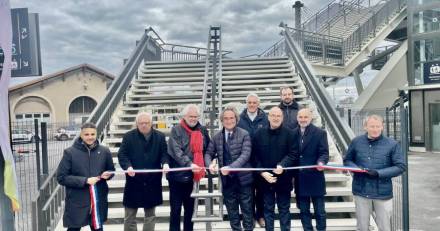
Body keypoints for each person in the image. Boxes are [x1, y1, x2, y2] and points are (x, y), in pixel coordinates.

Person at [344, 114, 406, 231]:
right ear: (365, 127)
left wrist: (378, 173)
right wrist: (356, 169)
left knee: (384, 226)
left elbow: (400, 166)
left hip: (382, 193)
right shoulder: (356, 142)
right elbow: (347, 160)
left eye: (378, 126)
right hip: (361, 191)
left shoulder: (392, 144)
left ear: (382, 127)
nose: (375, 129)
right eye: (372, 126)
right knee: (362, 226)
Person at [57, 122, 115, 231]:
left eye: (92, 134)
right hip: (77, 200)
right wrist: (85, 181)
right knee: (73, 229)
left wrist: (108, 175)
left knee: (98, 228)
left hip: (98, 200)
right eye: (86, 134)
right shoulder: (70, 152)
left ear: (96, 134)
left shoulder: (104, 151)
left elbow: (111, 171)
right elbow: (61, 177)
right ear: (81, 135)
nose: (90, 137)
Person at [117, 112, 169, 231]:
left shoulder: (160, 136)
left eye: (146, 123)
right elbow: (122, 154)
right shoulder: (128, 136)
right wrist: (128, 167)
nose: (144, 125)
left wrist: (165, 163)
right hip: (134, 180)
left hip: (152, 181)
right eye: (141, 123)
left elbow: (164, 154)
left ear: (151, 123)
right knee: (129, 216)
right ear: (136, 124)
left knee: (150, 216)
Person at [205, 106, 253, 231]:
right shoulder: (216, 137)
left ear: (236, 119)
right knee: (232, 212)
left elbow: (245, 155)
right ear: (221, 120)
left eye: (231, 118)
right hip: (227, 181)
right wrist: (210, 164)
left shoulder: (244, 134)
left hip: (244, 180)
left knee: (247, 210)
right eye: (225, 118)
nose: (228, 120)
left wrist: (231, 167)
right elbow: (208, 153)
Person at [252, 106, 298, 231]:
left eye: (278, 116)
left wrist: (283, 165)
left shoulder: (290, 134)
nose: (275, 118)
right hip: (266, 180)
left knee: (284, 209)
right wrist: (262, 172)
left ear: (282, 118)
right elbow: (254, 157)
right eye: (273, 115)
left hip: (284, 179)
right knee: (268, 209)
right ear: (268, 117)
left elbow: (293, 154)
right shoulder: (258, 134)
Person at [167, 104, 210, 231]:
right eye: (190, 116)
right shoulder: (176, 130)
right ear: (185, 116)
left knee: (190, 210)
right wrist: (190, 164)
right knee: (175, 210)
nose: (193, 119)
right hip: (177, 177)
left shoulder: (202, 130)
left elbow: (207, 148)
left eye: (196, 116)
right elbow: (176, 151)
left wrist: (208, 163)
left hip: (193, 177)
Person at [293, 108, 329, 231]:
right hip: (300, 179)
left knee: (320, 211)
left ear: (311, 118)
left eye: (305, 117)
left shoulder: (320, 133)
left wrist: (321, 162)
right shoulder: (292, 133)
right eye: (300, 117)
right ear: (297, 118)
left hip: (315, 178)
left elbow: (324, 153)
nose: (303, 119)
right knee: (303, 211)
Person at [237, 93, 268, 228]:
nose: (252, 105)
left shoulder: (265, 118)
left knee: (261, 191)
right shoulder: (240, 118)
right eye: (249, 102)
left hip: (261, 160)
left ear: (258, 104)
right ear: (246, 103)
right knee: (247, 192)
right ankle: (249, 218)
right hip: (245, 161)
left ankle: (260, 215)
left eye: (254, 102)